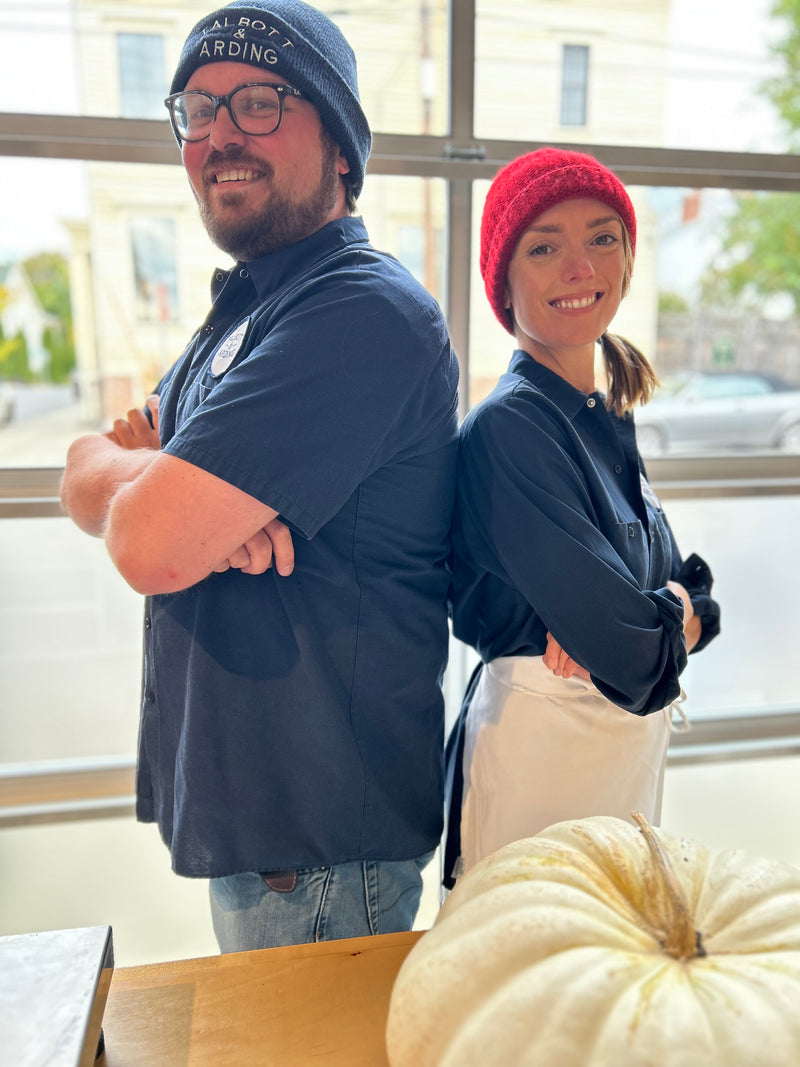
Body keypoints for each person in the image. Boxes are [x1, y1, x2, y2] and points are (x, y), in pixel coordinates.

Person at [60, 0, 459, 951]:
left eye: (260, 102)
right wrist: (162, 477)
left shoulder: (361, 315)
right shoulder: (245, 314)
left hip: (320, 850)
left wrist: (164, 495)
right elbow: (80, 471)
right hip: (274, 838)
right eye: (196, 110)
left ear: (342, 145)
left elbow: (143, 542)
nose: (219, 136)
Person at [443, 147, 720, 886]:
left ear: (629, 259)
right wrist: (663, 619)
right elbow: (633, 652)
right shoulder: (512, 429)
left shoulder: (604, 418)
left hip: (613, 772)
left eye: (602, 237)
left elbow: (681, 598)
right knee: (523, 986)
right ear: (505, 281)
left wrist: (672, 611)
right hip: (539, 774)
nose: (579, 267)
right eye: (544, 247)